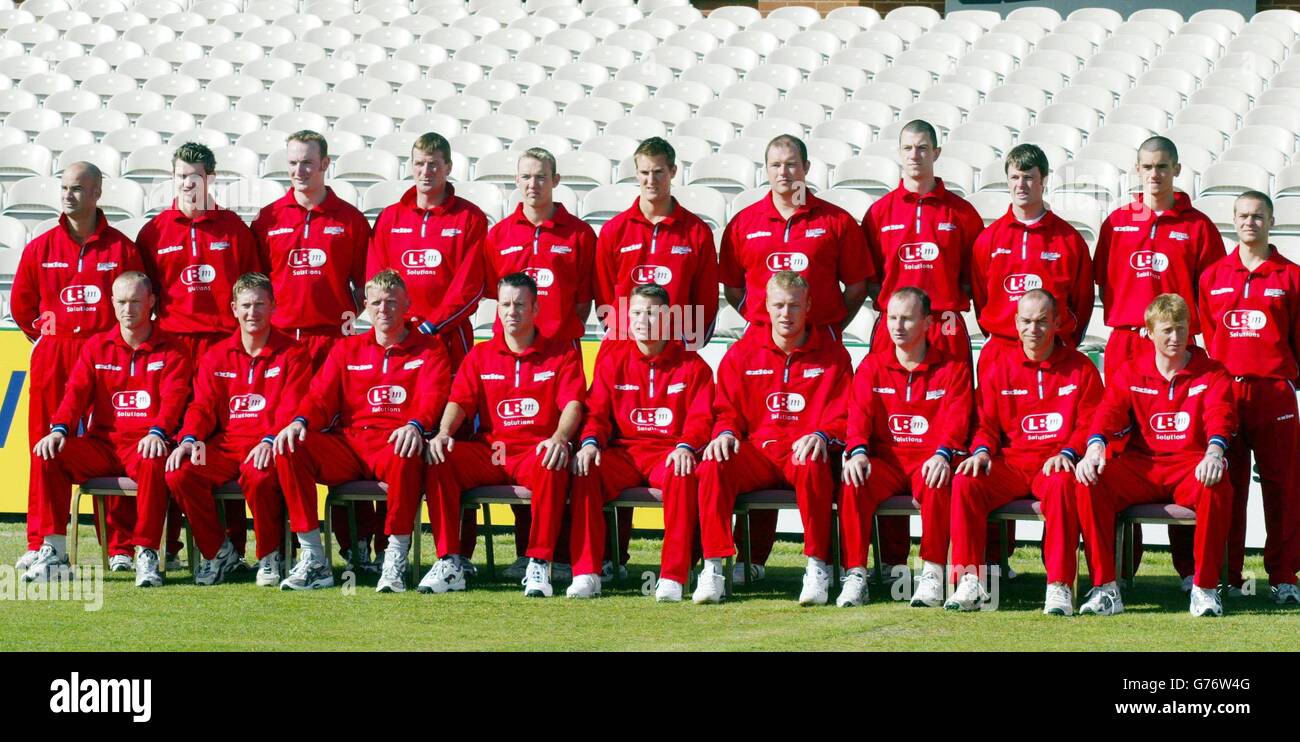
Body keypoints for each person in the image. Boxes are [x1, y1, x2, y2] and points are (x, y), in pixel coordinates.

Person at [718, 133, 871, 583]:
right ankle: (749, 560)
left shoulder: (837, 222)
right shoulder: (744, 223)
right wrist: (765, 323)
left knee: (809, 444)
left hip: (818, 348)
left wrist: (829, 328)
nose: (784, 173)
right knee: (762, 432)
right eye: (775, 165)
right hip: (761, 348)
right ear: (765, 170)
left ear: (806, 168)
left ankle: (824, 560)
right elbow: (731, 287)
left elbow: (859, 286)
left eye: (792, 164)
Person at [1093, 136, 1225, 576]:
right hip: (1127, 344)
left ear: (1177, 169)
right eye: (1148, 166)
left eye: (1163, 166)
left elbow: (1209, 296)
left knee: (1180, 450)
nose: (1155, 174)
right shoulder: (1116, 223)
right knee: (1119, 452)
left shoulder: (1199, 227)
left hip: (1175, 347)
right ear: (1136, 170)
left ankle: (1189, 571)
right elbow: (1101, 283)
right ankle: (1118, 568)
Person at [273, 269, 450, 593]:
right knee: (288, 446)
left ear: (407, 303)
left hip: (396, 441)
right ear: (365, 305)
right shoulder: (346, 349)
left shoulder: (430, 348)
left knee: (408, 449)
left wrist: (415, 425)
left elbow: (433, 397)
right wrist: (299, 421)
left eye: (392, 302)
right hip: (351, 444)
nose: (385, 309)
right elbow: (319, 397)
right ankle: (313, 557)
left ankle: (394, 557)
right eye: (377, 302)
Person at [11, 162, 146, 572]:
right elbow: (21, 305)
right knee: (46, 447)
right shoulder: (40, 246)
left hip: (106, 360)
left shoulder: (121, 249)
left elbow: (134, 303)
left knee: (112, 444)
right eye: (64, 188)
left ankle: (120, 547)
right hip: (56, 358)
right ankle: (43, 541)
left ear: (97, 193)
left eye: (78, 189)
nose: (69, 196)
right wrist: (50, 336)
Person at [252, 130, 377, 567]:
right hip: (283, 349)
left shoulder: (351, 219)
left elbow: (367, 286)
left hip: (332, 345)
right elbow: (256, 286)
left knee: (343, 440)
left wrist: (340, 316)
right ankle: (288, 546)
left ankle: (358, 543)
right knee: (284, 440)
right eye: (292, 164)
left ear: (326, 164)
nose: (299, 171)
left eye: (307, 162)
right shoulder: (268, 218)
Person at [137, 142, 264, 567]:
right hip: (173, 351)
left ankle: (234, 548)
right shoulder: (154, 232)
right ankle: (169, 549)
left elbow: (252, 290)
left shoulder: (234, 229)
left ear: (211, 177)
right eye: (180, 176)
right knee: (173, 441)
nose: (188, 183)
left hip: (223, 348)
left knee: (221, 441)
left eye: (195, 175)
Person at [422, 272, 586, 598]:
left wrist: (559, 438)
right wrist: (442, 433)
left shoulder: (561, 354)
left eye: (520, 305)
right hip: (492, 452)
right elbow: (459, 402)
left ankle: (539, 561)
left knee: (553, 460)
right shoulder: (481, 355)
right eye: (505, 304)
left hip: (534, 452)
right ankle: (449, 561)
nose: (512, 312)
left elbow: (573, 405)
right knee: (440, 457)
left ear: (536, 308)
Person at [24, 272, 191, 587]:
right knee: (48, 453)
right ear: (112, 304)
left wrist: (158, 432)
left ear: (151, 302)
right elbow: (74, 394)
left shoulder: (173, 349)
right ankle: (54, 552)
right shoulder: (96, 346)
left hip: (145, 444)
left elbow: (174, 400)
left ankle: (146, 552)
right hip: (102, 447)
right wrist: (59, 429)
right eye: (122, 302)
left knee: (157, 461)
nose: (129, 310)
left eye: (136, 302)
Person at [695, 271, 853, 605]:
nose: (786, 313)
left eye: (794, 305)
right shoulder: (741, 354)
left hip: (804, 453)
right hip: (758, 455)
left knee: (813, 460)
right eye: (779, 305)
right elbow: (726, 410)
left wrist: (822, 436)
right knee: (713, 462)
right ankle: (713, 568)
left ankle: (816, 567)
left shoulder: (835, 356)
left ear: (808, 306)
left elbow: (843, 416)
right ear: (765, 306)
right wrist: (724, 433)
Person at [1075, 294, 1236, 617]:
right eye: (1166, 330)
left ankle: (1204, 589)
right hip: (1143, 466)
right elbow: (1107, 413)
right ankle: (1106, 588)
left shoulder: (1212, 372)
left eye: (1181, 329)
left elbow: (1221, 415)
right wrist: (1094, 445)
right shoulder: (1131, 371)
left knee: (1218, 485)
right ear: (1149, 332)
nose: (1175, 337)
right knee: (1089, 481)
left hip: (1191, 464)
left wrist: (1215, 451)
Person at [945, 289, 1103, 615]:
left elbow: (1090, 424)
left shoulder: (1081, 368)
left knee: (1062, 483)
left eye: (1043, 321)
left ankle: (1058, 585)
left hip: (1055, 463)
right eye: (1027, 321)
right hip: (1012, 464)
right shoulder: (997, 368)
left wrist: (1070, 454)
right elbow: (985, 424)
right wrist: (982, 452)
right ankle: (969, 581)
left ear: (1057, 322)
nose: (1034, 329)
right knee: (966, 481)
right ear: (1016, 323)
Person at [481, 148, 597, 576]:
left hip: (558, 359)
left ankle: (560, 554)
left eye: (542, 176)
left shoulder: (580, 235)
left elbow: (584, 302)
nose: (534, 184)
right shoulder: (497, 235)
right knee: (515, 443)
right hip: (509, 361)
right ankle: (527, 551)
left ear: (556, 179)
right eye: (526, 177)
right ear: (517, 180)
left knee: (555, 448)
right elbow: (494, 297)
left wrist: (555, 341)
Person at [164, 273, 312, 586]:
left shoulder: (293, 352)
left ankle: (271, 556)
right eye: (245, 305)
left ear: (273, 306)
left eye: (260, 304)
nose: (252, 312)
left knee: (258, 475)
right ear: (233, 308)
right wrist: (189, 439)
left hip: (267, 445)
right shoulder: (216, 355)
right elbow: (202, 406)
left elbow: (292, 405)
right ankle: (219, 553)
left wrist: (270, 440)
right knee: (181, 471)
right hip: (223, 447)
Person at [571, 284, 715, 601]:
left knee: (683, 473)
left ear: (668, 317)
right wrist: (591, 442)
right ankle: (586, 573)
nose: (642, 321)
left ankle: (672, 577)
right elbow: (596, 412)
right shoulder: (611, 361)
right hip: (623, 454)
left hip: (669, 453)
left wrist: (686, 446)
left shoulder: (694, 366)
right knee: (585, 469)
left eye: (651, 313)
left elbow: (702, 419)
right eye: (636, 313)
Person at [837, 287, 973, 608]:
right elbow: (858, 417)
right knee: (852, 478)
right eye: (892, 318)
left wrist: (943, 454)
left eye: (907, 319)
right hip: (885, 463)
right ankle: (855, 574)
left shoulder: (953, 369)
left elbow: (958, 422)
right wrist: (856, 450)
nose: (897, 326)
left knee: (938, 477)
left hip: (928, 461)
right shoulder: (871, 366)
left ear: (927, 323)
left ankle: (932, 572)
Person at [1197, 191, 1300, 604]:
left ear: (1271, 221)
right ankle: (1229, 575)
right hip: (1226, 394)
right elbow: (1208, 333)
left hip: (1274, 392)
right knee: (1228, 487)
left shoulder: (1291, 277)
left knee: (1283, 488)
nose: (1250, 223)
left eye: (1258, 216)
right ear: (1233, 221)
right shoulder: (1212, 276)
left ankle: (1283, 577)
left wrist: (1287, 383)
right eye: (1243, 216)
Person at [863, 119, 983, 364]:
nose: (914, 155)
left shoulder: (962, 213)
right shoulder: (878, 213)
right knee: (889, 399)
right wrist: (899, 310)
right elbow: (870, 278)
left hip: (945, 322)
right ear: (899, 153)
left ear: (936, 153)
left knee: (951, 399)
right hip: (894, 325)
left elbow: (976, 276)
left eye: (922, 148)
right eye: (907, 148)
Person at [367, 132, 487, 371]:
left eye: (434, 164)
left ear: (448, 167)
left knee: (448, 406)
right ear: (411, 166)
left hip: (447, 337)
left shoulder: (470, 218)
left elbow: (470, 285)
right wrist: (397, 326)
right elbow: (375, 280)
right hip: (397, 335)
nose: (426, 171)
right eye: (420, 163)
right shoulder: (390, 218)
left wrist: (433, 325)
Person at [970, 143, 1093, 374]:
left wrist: (1060, 339)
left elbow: (1082, 302)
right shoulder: (988, 239)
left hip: (1054, 354)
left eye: (1028, 177)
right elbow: (981, 299)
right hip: (1001, 354)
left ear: (1043, 180)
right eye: (1014, 177)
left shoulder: (1069, 240)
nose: (1020, 184)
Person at [594, 136, 718, 349]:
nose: (651, 180)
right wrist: (621, 332)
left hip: (676, 349)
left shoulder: (697, 231)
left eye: (659, 172)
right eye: (644, 172)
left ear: (673, 172)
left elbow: (706, 296)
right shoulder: (614, 230)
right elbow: (603, 293)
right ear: (636, 173)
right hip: (623, 346)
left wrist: (688, 342)